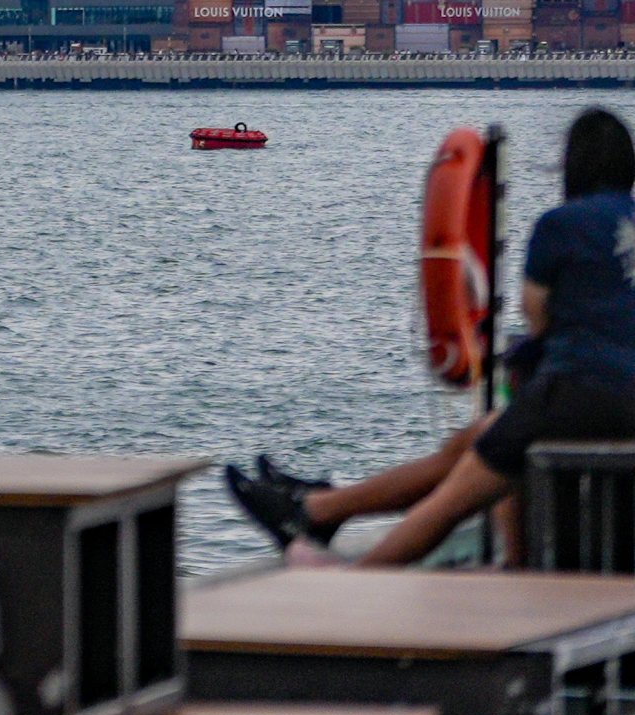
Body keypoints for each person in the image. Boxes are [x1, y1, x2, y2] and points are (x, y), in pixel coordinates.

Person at [227, 105, 635, 567]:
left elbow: (535, 314)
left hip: (580, 397)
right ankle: (318, 507)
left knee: (451, 502)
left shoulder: (560, 225)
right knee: (478, 438)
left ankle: (348, 581)